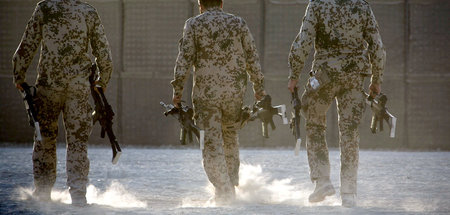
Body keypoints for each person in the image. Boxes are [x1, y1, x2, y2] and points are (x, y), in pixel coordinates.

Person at [12, 0, 113, 206]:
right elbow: (104, 53)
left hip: (49, 85)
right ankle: (78, 195)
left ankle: (42, 193)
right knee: (77, 142)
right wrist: (102, 81)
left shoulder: (45, 9)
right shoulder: (88, 11)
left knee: (44, 139)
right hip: (78, 88)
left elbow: (27, 44)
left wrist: (19, 75)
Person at [287, 0, 385, 207]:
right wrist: (376, 80)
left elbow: (304, 40)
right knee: (350, 132)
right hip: (354, 76)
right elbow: (376, 45)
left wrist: (294, 75)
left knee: (313, 123)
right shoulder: (362, 6)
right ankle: (349, 193)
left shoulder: (318, 5)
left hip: (325, 75)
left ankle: (322, 181)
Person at [171, 0, 266, 204]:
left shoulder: (194, 24)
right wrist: (259, 88)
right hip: (234, 93)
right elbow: (252, 57)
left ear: (200, 5)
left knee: (210, 142)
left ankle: (224, 190)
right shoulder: (238, 23)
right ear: (221, 3)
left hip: (207, 95)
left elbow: (184, 59)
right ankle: (231, 183)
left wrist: (177, 90)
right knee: (230, 136)